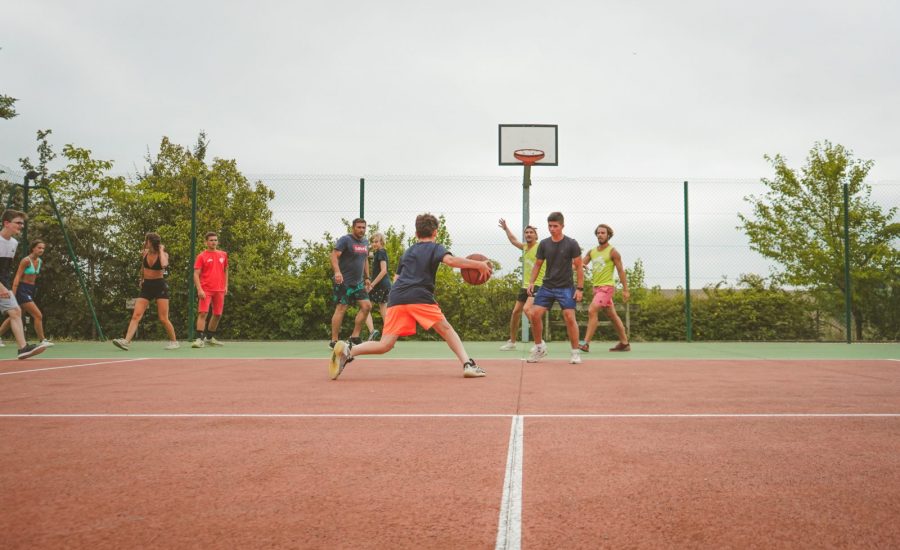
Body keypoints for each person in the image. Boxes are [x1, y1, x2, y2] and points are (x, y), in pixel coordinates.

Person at [329, 213, 492, 380]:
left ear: (416, 234)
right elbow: (450, 261)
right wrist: (478, 264)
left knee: (385, 345)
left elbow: (396, 279)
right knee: (446, 329)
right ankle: (468, 364)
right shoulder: (436, 248)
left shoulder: (408, 252)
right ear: (436, 232)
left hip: (397, 297)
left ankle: (349, 350)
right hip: (419, 296)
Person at [525, 212, 584, 364]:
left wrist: (579, 288)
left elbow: (579, 267)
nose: (552, 229)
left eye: (555, 226)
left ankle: (575, 352)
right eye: (550, 226)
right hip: (548, 286)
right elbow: (537, 265)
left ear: (562, 226)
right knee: (534, 314)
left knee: (570, 317)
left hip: (566, 287)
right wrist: (531, 282)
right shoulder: (544, 244)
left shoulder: (571, 243)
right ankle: (539, 348)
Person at [112, 232, 179, 350]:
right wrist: (141, 278)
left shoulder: (164, 255)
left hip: (160, 286)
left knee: (163, 318)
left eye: (147, 241)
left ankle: (174, 342)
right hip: (147, 286)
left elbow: (164, 265)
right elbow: (143, 267)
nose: (145, 243)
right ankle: (126, 341)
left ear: (151, 242)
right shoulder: (144, 253)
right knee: (136, 315)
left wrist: (162, 250)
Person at [0, 209, 49, 359]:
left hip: (3, 284)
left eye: (22, 223)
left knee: (15, 311)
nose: (21, 226)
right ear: (6, 223)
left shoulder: (14, 243)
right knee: (16, 312)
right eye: (18, 223)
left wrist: (6, 287)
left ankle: (23, 348)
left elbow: (5, 269)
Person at [580, 224, 631, 352]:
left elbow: (620, 271)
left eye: (603, 233)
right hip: (596, 289)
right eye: (598, 233)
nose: (600, 235)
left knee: (592, 310)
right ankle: (625, 343)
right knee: (613, 316)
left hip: (606, 288)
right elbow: (580, 264)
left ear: (608, 235)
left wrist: (625, 290)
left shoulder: (613, 252)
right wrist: (579, 264)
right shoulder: (592, 252)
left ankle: (585, 343)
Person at [498, 219, 545, 350]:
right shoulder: (525, 247)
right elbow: (513, 240)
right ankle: (512, 342)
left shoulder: (541, 247)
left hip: (538, 284)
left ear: (536, 236)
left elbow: (556, 255)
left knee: (527, 309)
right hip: (525, 285)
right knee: (515, 312)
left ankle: (540, 342)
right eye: (527, 232)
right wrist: (506, 228)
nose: (529, 234)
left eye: (531, 232)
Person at [0, 239, 53, 347]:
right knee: (38, 315)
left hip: (30, 289)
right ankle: (42, 340)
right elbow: (17, 276)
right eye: (39, 247)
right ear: (33, 248)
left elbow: (33, 278)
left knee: (14, 317)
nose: (41, 250)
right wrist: (13, 294)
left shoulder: (39, 261)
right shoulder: (26, 260)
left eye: (43, 248)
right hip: (21, 290)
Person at [330, 218, 372, 348]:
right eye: (359, 227)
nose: (361, 230)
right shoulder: (345, 240)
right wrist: (337, 272)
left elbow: (365, 259)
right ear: (353, 227)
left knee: (367, 306)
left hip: (358, 283)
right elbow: (334, 256)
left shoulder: (365, 242)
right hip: (344, 282)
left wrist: (367, 277)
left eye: (363, 227)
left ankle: (355, 337)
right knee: (341, 308)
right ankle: (334, 341)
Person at [191, 231, 229, 348]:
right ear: (206, 242)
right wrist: (199, 289)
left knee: (217, 314)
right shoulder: (201, 256)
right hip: (205, 289)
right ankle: (199, 339)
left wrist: (226, 285)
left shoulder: (223, 254)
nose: (214, 242)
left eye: (215, 240)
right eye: (211, 240)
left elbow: (226, 270)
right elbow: (196, 274)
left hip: (219, 290)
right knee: (203, 313)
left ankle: (209, 338)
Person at [364, 232, 391, 342]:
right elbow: (371, 255)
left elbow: (384, 270)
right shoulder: (380, 253)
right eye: (372, 242)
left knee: (364, 306)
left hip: (379, 285)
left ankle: (372, 331)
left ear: (381, 242)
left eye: (376, 242)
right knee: (383, 309)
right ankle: (389, 335)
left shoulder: (380, 252)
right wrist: (367, 253)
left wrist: (372, 284)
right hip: (386, 285)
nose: (374, 244)